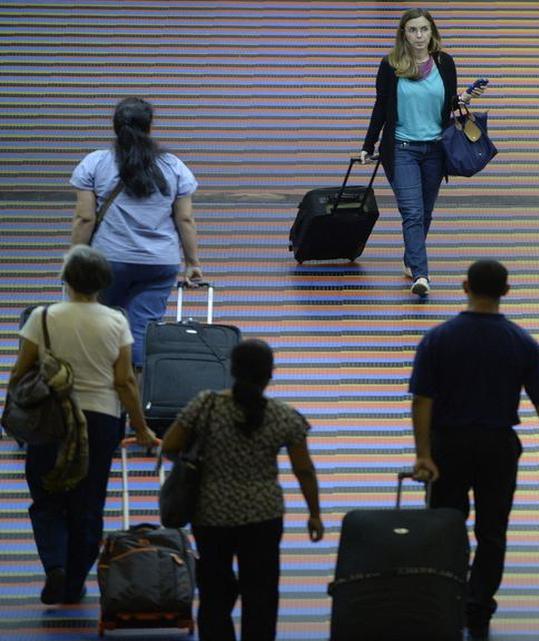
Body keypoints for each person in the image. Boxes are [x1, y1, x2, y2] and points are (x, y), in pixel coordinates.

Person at [409, 260, 539, 640]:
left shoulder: (438, 339)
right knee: (492, 531)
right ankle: (478, 607)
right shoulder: (522, 342)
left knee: (447, 523)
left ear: (465, 286)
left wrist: (423, 453)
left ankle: (448, 595)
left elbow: (422, 400)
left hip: (447, 445)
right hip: (498, 447)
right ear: (506, 292)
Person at [5, 245, 159, 604]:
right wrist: (140, 427)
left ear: (66, 279)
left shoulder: (42, 317)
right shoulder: (116, 321)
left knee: (46, 497)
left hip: (50, 417)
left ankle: (55, 566)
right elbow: (125, 382)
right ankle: (74, 582)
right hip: (100, 419)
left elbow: (19, 372)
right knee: (88, 504)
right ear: (103, 282)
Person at [161, 339, 323, 641]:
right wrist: (315, 514)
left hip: (211, 513)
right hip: (263, 516)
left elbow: (169, 445)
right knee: (261, 594)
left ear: (232, 370)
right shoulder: (284, 416)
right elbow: (304, 470)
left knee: (214, 593)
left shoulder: (205, 405)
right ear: (269, 374)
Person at [360, 8, 487, 297]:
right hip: (402, 148)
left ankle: (411, 258)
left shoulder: (444, 62)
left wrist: (465, 98)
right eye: (412, 30)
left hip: (435, 149)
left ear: (432, 32)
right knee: (413, 211)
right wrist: (368, 145)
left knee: (425, 212)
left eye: (424, 29)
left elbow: (448, 104)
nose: (419, 35)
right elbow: (381, 107)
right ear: (403, 34)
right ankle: (421, 275)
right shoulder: (390, 65)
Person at [69, 96, 202, 369]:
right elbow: (185, 219)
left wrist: (75, 259)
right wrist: (192, 263)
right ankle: (137, 389)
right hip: (159, 262)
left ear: (115, 126)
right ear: (149, 127)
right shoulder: (173, 166)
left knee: (101, 324)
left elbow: (85, 218)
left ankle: (102, 386)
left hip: (108, 260)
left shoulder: (95, 163)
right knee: (142, 328)